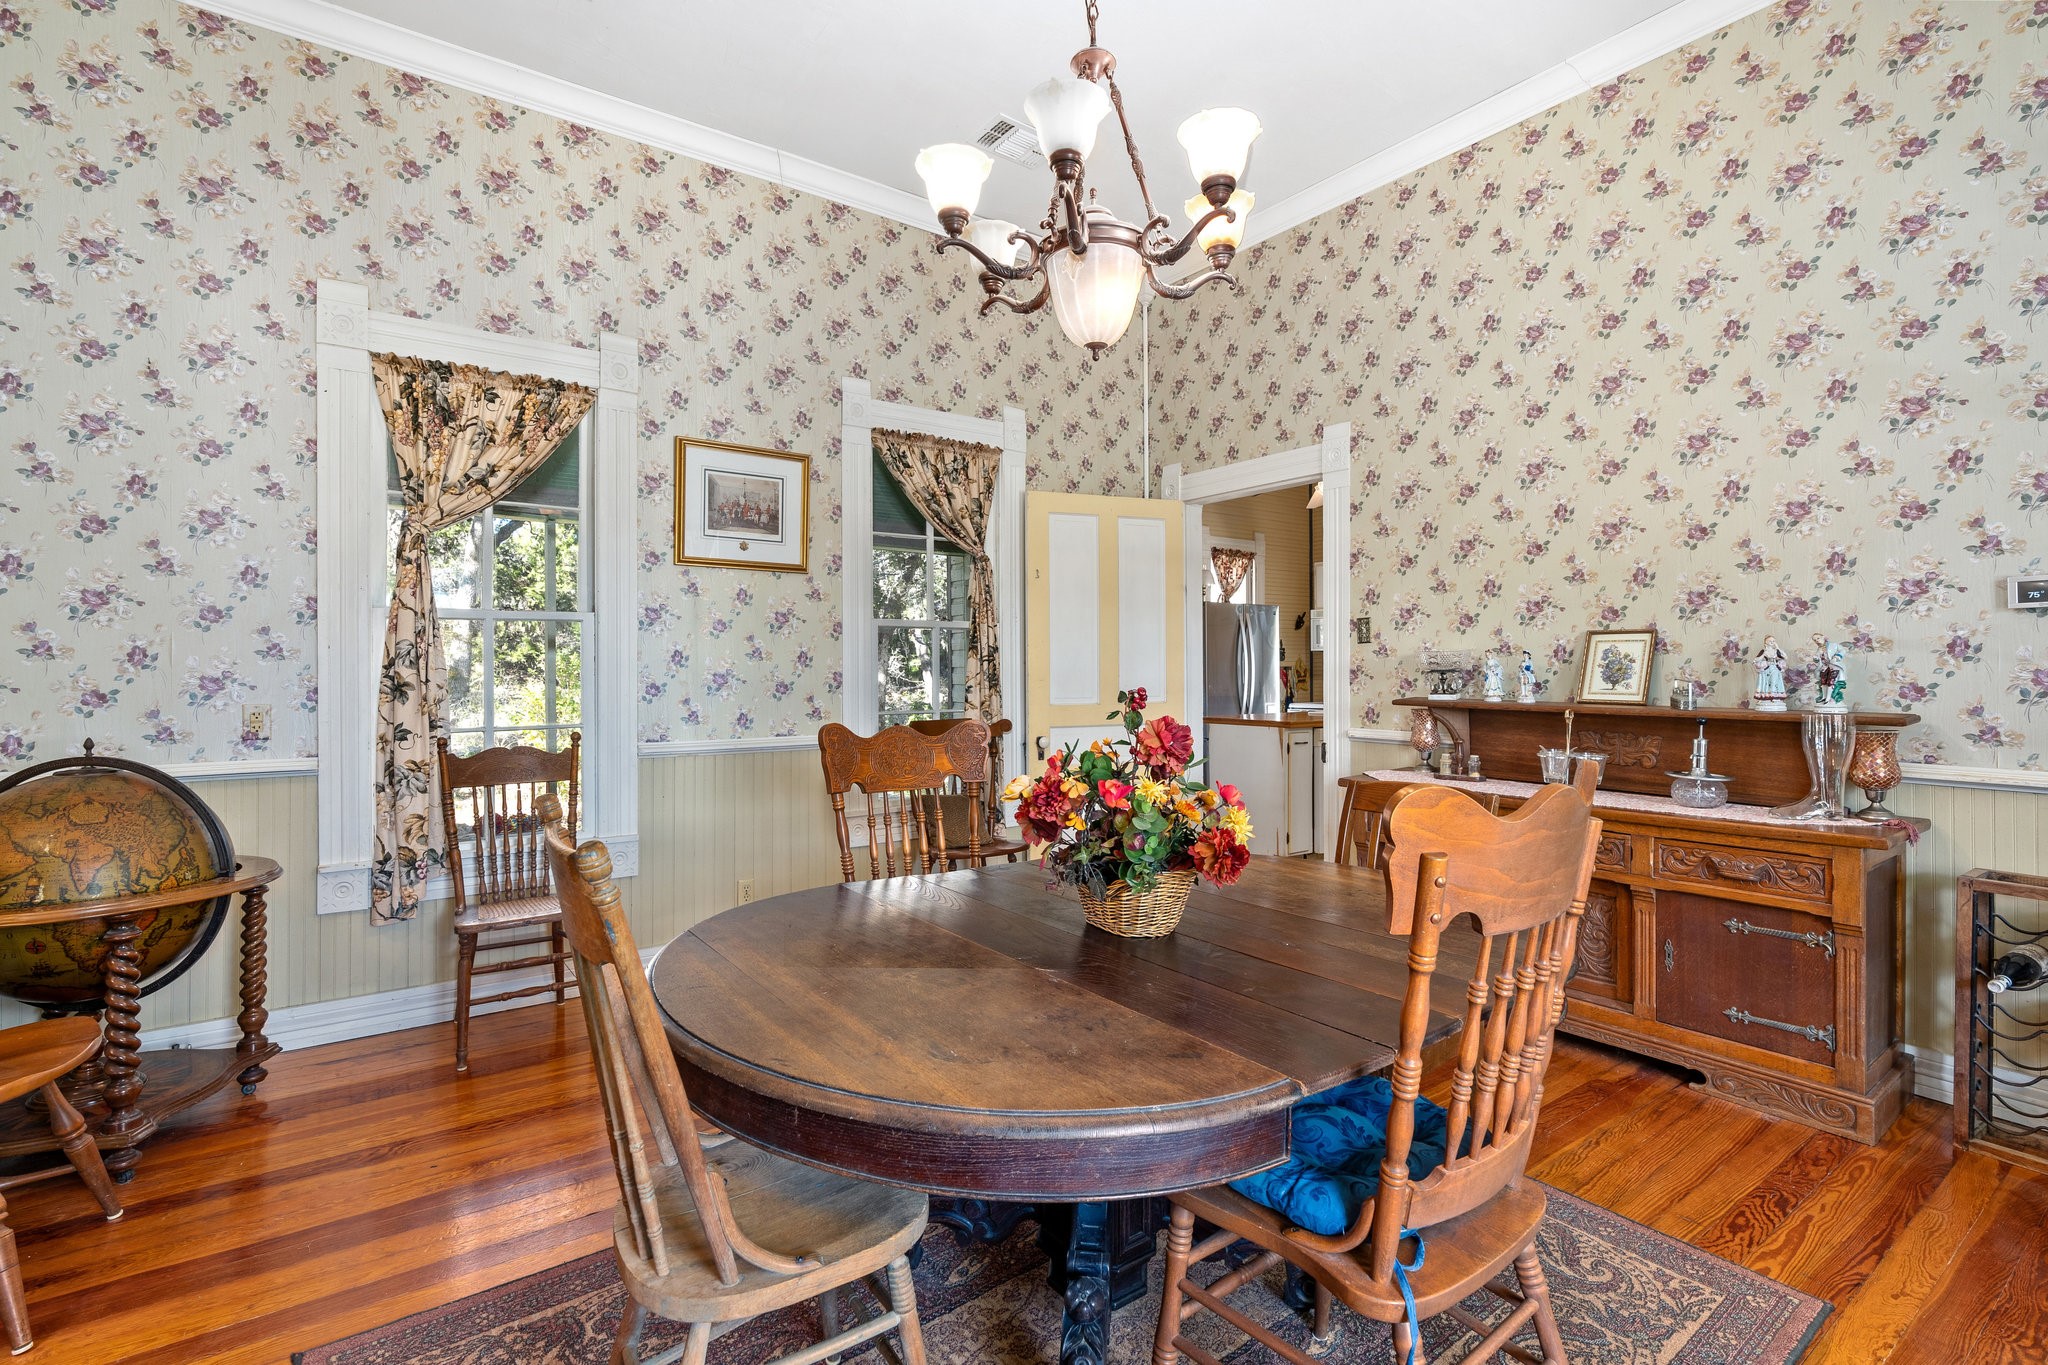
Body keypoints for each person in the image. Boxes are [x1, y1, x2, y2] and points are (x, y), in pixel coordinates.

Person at [1752, 636, 1788, 711]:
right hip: (1766, 668)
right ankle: (1766, 697)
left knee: (1774, 681)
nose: (1772, 642)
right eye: (1770, 641)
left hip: (1774, 668)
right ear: (1766, 643)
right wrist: (1763, 654)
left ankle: (1774, 696)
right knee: (1766, 683)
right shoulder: (1764, 651)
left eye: (1773, 641)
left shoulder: (1776, 651)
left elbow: (1785, 657)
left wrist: (1778, 647)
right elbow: (1756, 660)